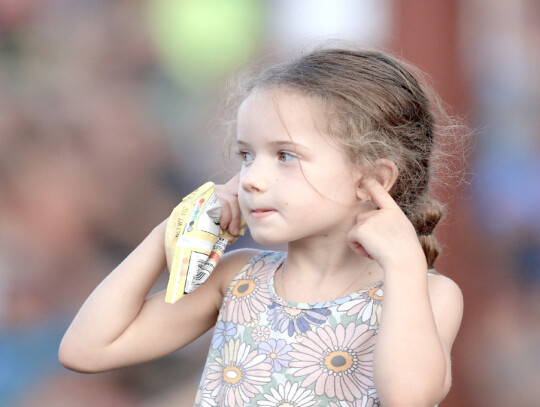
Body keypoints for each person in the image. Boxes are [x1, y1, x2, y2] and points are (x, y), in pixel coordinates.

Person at [59, 47, 464, 407]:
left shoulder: (426, 293)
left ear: (370, 179)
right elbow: (86, 349)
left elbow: (407, 397)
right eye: (247, 155)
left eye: (285, 155)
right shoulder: (238, 278)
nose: (251, 178)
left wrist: (404, 264)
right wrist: (170, 230)